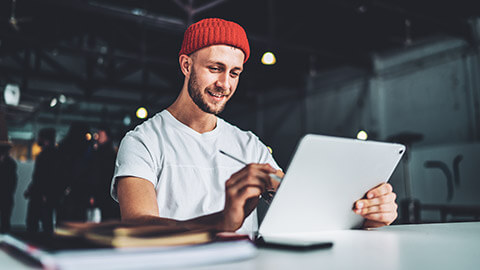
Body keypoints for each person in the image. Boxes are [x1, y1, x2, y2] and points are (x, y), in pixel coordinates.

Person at [112, 18, 398, 233]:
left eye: (234, 73)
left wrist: (366, 217)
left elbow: (300, 210)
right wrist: (220, 222)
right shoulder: (143, 141)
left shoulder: (250, 146)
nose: (225, 84)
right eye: (215, 68)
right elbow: (137, 227)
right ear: (186, 65)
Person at [24, 128, 59, 233]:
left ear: (45, 139)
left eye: (40, 137)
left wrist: (44, 193)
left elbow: (45, 176)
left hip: (41, 195)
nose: (38, 139)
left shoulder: (47, 155)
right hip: (42, 194)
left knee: (36, 222)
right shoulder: (52, 153)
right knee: (44, 222)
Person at [87, 126, 120, 221]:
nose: (98, 137)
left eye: (101, 135)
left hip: (103, 190)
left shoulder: (102, 153)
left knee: (104, 217)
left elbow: (96, 173)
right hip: (106, 190)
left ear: (107, 137)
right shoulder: (110, 152)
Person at [0, 143, 17, 233]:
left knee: (5, 219)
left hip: (6, 194)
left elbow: (12, 182)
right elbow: (13, 181)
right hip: (7, 195)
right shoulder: (11, 163)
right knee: (6, 218)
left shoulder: (10, 163)